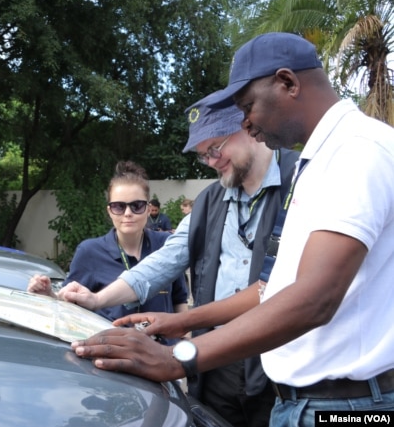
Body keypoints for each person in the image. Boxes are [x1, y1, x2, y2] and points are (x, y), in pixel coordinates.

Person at [69, 32, 394, 426]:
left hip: (342, 405)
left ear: (288, 83)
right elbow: (272, 288)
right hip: (299, 400)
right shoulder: (320, 160)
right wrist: (179, 321)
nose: (246, 123)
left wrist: (177, 357)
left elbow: (315, 297)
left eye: (247, 107)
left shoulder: (356, 152)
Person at [56, 90, 299, 427]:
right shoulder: (209, 202)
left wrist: (181, 322)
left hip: (282, 364)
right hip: (216, 363)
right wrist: (98, 299)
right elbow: (164, 261)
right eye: (203, 156)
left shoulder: (302, 181)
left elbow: (279, 288)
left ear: (247, 125)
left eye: (215, 148)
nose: (212, 160)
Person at [28, 161, 189, 323]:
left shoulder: (167, 245)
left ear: (148, 209)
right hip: (113, 346)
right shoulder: (89, 251)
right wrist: (48, 295)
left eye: (137, 206)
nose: (128, 213)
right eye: (119, 207)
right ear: (109, 211)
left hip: (162, 347)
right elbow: (69, 303)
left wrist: (184, 341)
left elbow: (179, 301)